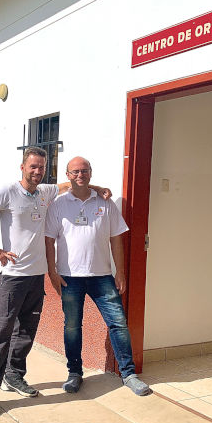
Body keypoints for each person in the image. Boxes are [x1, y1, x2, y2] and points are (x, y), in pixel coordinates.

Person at [0, 147, 111, 419]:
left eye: (42, 167)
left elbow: (72, 182)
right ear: (22, 167)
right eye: (32, 167)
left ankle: (14, 375)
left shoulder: (45, 192)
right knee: (2, 332)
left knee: (26, 331)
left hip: (37, 276)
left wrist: (98, 187)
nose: (37, 172)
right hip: (13, 277)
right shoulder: (8, 192)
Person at [44, 156, 151, 396]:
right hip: (69, 277)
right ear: (67, 175)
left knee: (118, 323)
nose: (80, 175)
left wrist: (120, 271)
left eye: (84, 171)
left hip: (102, 276)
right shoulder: (58, 204)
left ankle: (129, 374)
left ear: (90, 173)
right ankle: (74, 373)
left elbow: (116, 239)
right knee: (72, 326)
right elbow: (49, 241)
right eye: (75, 172)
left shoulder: (106, 203)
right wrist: (51, 272)